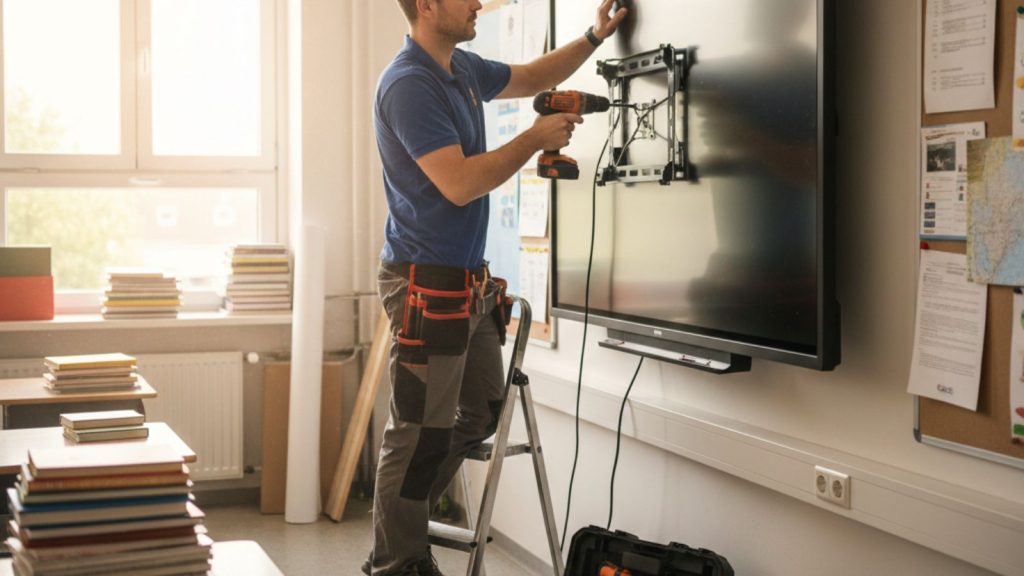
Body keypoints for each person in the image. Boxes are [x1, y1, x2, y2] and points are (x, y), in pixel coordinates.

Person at [367, 1, 626, 575]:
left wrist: (593, 35)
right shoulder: (409, 85)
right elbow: (459, 184)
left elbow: (534, 77)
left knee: (483, 410)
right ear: (428, 5)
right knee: (417, 435)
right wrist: (535, 139)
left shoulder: (461, 68)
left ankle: (402, 523)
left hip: (468, 281)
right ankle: (397, 561)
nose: (479, 1)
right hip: (425, 285)